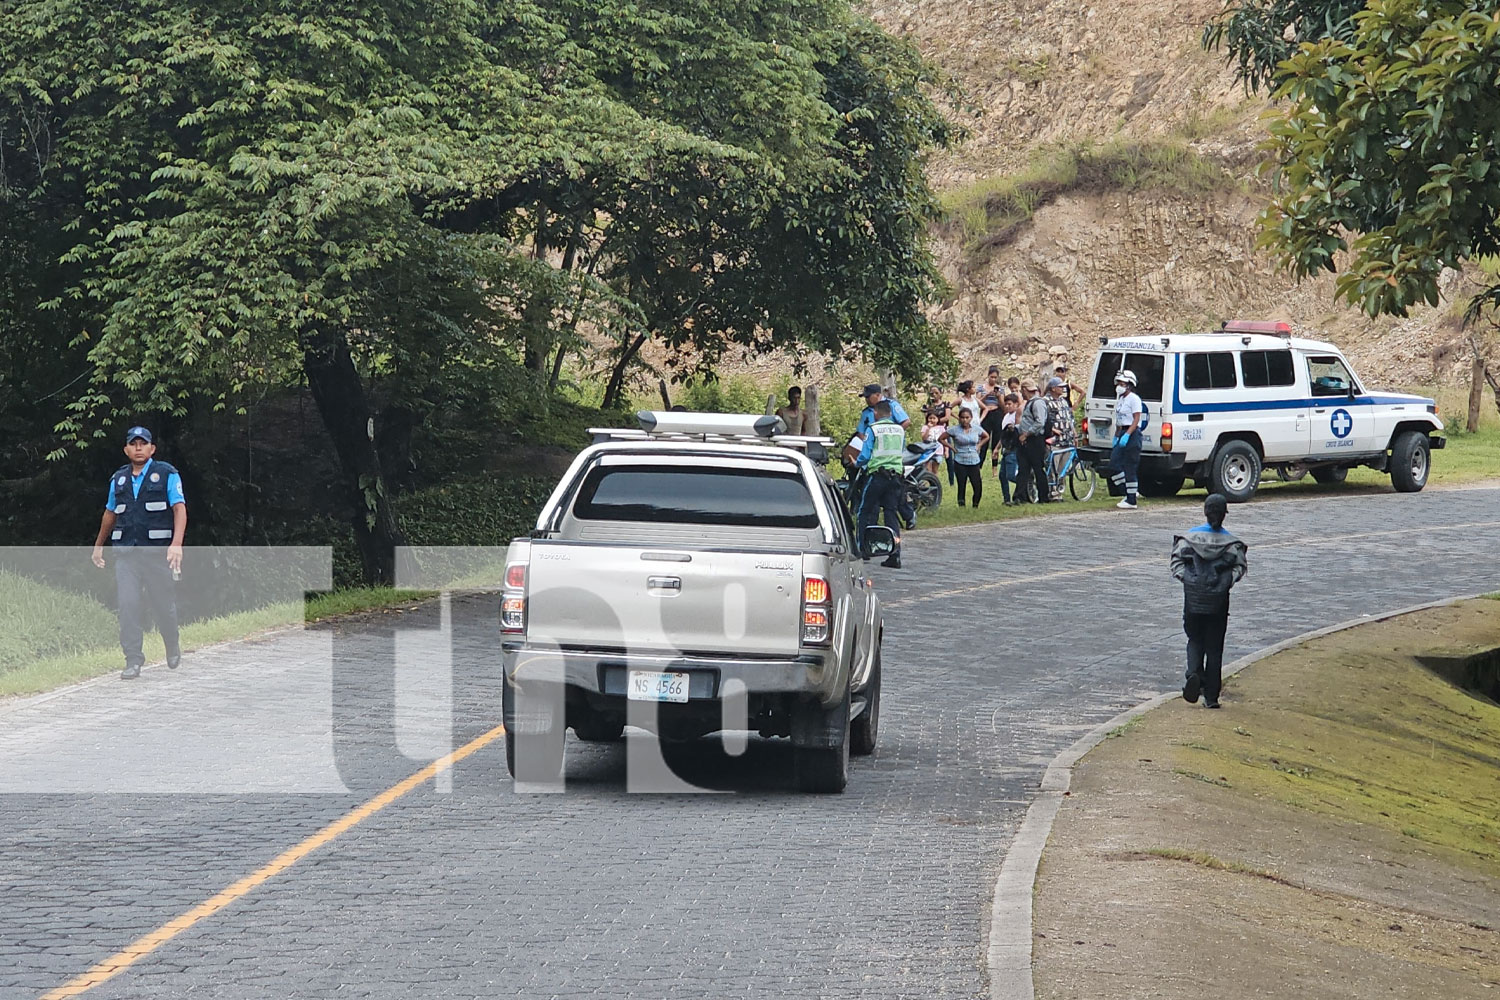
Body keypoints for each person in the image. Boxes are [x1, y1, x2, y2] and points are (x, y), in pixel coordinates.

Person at [91, 426, 187, 680]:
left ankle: (172, 643)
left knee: (162, 605)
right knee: (128, 605)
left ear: (151, 448)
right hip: (127, 555)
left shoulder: (167, 474)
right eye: (133, 444)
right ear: (126, 450)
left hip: (157, 554)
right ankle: (133, 660)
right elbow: (110, 513)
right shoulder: (118, 479)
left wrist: (176, 544)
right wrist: (98, 545)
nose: (138, 448)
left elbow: (179, 509)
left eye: (142, 443)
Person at [1170, 494, 1248, 709]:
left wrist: (1188, 580)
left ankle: (1194, 673)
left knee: (1194, 639)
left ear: (1205, 512)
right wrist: (1225, 583)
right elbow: (1239, 568)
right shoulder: (1232, 543)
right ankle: (1211, 697)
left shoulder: (1189, 538)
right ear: (1224, 516)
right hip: (1218, 602)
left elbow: (1176, 563)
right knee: (1214, 648)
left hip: (1193, 601)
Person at [854, 400, 906, 569]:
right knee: (891, 514)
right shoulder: (900, 430)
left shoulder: (873, 429)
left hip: (877, 476)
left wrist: (856, 463)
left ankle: (862, 549)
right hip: (896, 476)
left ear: (876, 413)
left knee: (864, 511)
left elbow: (865, 454)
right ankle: (895, 554)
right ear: (890, 414)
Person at [855, 383, 914, 529]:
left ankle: (908, 516)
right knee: (884, 506)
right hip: (876, 464)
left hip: (891, 461)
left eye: (868, 397)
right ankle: (877, 534)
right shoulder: (867, 412)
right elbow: (861, 432)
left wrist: (890, 434)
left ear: (877, 395)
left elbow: (906, 421)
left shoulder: (891, 406)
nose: (867, 400)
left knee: (892, 502)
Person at [1110, 369, 1144, 510]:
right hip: (1122, 432)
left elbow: (1136, 418)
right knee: (1114, 464)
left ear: (1130, 385)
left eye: (1122, 383)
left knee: (1130, 466)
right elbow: (1119, 420)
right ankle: (1128, 492)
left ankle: (1131, 500)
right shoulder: (1121, 399)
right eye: (1119, 383)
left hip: (1132, 433)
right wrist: (1117, 436)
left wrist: (1128, 434)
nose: (1119, 386)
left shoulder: (1134, 399)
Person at [1015, 381, 1052, 504]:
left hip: (1034, 440)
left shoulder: (1037, 403)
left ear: (1025, 389)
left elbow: (1040, 422)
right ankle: (1020, 496)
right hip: (1025, 441)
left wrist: (1026, 434)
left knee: (1038, 468)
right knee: (1023, 469)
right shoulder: (1029, 403)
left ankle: (1044, 496)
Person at [947, 408, 988, 508]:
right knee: (962, 484)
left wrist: (979, 445)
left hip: (974, 460)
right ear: (959, 418)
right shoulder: (955, 429)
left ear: (971, 418)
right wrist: (952, 447)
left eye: (967, 418)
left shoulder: (976, 428)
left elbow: (986, 436)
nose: (964, 420)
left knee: (977, 484)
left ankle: (975, 504)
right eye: (962, 418)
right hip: (960, 460)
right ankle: (962, 505)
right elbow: (941, 438)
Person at [1044, 376, 1078, 498]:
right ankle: (1052, 492)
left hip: (1067, 439)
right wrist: (1053, 430)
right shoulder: (1046, 401)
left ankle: (1059, 491)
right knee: (1053, 468)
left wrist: (1074, 433)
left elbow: (1070, 419)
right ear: (1053, 388)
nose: (1063, 389)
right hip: (1055, 441)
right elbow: (1043, 420)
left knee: (1063, 468)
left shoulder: (1064, 401)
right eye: (1060, 387)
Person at [978, 367, 1006, 471]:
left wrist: (998, 397)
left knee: (996, 440)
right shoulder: (981, 387)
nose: (993, 379)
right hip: (985, 413)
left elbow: (1003, 407)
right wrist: (986, 396)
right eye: (991, 377)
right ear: (988, 376)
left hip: (997, 413)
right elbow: (977, 401)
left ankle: (994, 468)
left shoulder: (1000, 389)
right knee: (984, 439)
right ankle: (979, 465)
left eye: (995, 377)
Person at [998, 393, 1021, 503]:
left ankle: (1024, 486)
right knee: (1002, 475)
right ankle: (1006, 499)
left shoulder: (1016, 416)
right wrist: (997, 448)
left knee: (1011, 475)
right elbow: (1003, 435)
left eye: (1010, 404)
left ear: (1016, 404)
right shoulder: (1006, 416)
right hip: (1005, 448)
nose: (1007, 406)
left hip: (1013, 448)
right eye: (1006, 404)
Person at [921, 409, 953, 487]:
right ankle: (928, 484)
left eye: (934, 418)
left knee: (935, 470)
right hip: (928, 452)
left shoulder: (941, 428)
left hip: (938, 451)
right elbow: (923, 438)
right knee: (928, 470)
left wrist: (946, 450)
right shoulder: (925, 427)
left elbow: (944, 439)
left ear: (938, 419)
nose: (932, 420)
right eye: (930, 418)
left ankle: (935, 486)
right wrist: (928, 428)